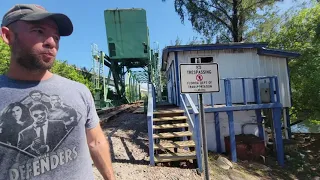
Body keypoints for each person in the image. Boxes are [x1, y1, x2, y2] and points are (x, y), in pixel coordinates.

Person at [0, 4, 115, 180]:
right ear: (7, 36)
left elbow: (96, 142)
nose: (52, 42)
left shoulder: (79, 92)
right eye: (38, 31)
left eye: (56, 37)